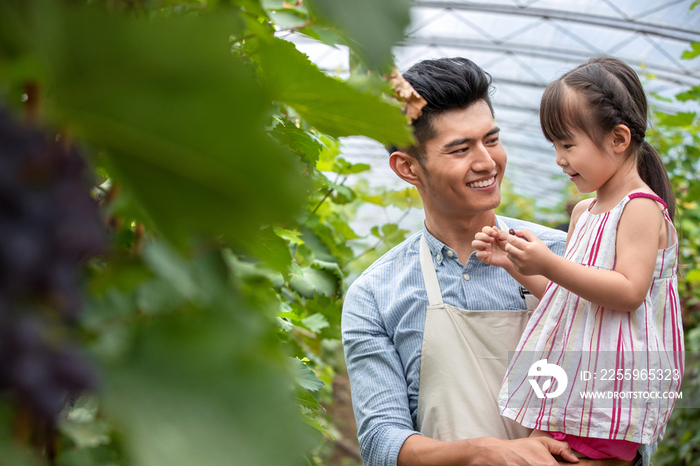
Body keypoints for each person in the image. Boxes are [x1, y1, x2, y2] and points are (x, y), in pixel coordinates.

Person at [342, 57, 656, 466]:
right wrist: (480, 453)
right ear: (408, 168)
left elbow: (629, 386)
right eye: (460, 149)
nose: (487, 162)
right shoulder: (376, 294)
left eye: (491, 139)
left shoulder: (568, 256)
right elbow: (381, 442)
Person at [473, 57, 682, 461]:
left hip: (610, 389)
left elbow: (628, 292)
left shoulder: (640, 208)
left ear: (619, 139)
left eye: (567, 144)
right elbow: (567, 297)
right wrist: (515, 264)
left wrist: (548, 262)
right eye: (555, 145)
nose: (559, 158)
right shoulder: (583, 212)